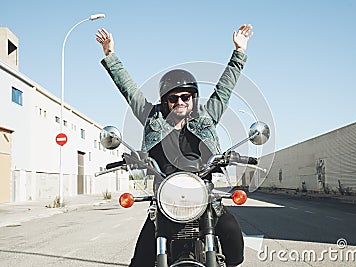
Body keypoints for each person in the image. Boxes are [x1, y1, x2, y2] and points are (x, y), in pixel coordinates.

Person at [96, 24, 253, 267]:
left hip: (204, 196)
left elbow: (224, 89)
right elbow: (130, 92)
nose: (180, 101)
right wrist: (110, 55)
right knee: (139, 261)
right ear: (165, 101)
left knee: (232, 232)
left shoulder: (207, 117)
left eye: (185, 96)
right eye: (173, 97)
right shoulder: (152, 117)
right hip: (165, 199)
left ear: (193, 98)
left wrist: (239, 53)